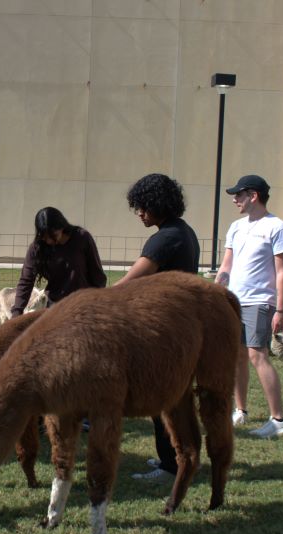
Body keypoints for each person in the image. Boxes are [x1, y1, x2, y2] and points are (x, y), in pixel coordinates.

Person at [114, 173, 200, 483]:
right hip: (178, 326)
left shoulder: (165, 238)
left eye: (142, 207)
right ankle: (175, 458)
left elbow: (132, 280)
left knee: (162, 397)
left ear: (157, 204)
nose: (139, 213)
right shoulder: (183, 232)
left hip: (165, 331)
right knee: (172, 397)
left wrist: (96, 298)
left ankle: (171, 466)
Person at [215, 174, 283, 438]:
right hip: (233, 302)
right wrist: (218, 291)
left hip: (260, 301)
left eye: (239, 194)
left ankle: (279, 420)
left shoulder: (278, 228)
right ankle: (241, 410)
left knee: (256, 355)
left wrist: (280, 310)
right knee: (237, 356)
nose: (235, 199)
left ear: (254, 196)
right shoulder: (236, 227)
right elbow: (227, 265)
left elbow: (282, 272)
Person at [11, 207, 107, 317]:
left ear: (61, 226)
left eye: (54, 236)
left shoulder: (82, 238)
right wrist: (17, 311)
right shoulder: (37, 248)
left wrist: (97, 301)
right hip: (56, 308)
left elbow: (97, 275)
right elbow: (26, 281)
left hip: (84, 306)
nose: (50, 241)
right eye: (45, 238)